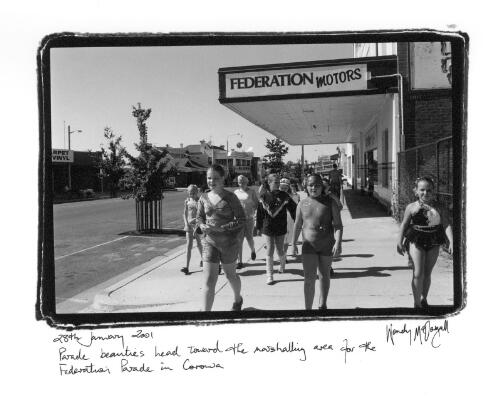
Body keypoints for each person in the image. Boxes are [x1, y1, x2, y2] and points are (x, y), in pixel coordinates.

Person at [397, 176, 453, 309]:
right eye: (422, 190)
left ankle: (424, 299)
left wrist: (451, 241)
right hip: (416, 239)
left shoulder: (439, 207)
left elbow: (446, 224)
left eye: (429, 190)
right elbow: (404, 225)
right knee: (418, 273)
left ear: (433, 191)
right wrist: (399, 241)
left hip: (434, 239)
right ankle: (417, 304)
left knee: (427, 273)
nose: (425, 193)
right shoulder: (411, 207)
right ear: (416, 191)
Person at [196, 165, 247, 311]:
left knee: (230, 276)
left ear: (223, 178)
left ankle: (238, 298)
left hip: (229, 244)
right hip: (209, 242)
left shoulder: (231, 197)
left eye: (215, 178)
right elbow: (199, 216)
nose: (211, 181)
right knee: (209, 280)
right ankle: (206, 316)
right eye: (209, 178)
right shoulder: (204, 197)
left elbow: (242, 219)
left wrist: (222, 228)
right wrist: (202, 225)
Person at [292, 174, 343, 310]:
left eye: (317, 185)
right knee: (308, 279)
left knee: (324, 275)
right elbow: (297, 226)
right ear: (306, 187)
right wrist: (293, 244)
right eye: (310, 185)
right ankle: (308, 309)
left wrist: (338, 243)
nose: (313, 187)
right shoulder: (302, 204)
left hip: (326, 245)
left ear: (322, 186)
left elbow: (338, 225)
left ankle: (323, 303)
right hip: (309, 246)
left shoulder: (330, 203)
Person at [256, 173, 297, 284]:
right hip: (268, 226)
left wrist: (297, 219)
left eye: (279, 182)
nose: (278, 184)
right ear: (269, 183)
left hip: (280, 225)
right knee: (270, 249)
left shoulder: (284, 195)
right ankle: (270, 275)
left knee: (280, 249)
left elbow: (294, 209)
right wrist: (258, 227)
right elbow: (259, 214)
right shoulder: (263, 197)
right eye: (275, 182)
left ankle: (282, 264)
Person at [234, 175, 259, 268]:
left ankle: (252, 250)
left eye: (243, 181)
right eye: (240, 182)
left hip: (249, 219)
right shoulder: (236, 192)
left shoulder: (251, 192)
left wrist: (256, 216)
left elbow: (256, 205)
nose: (241, 183)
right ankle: (239, 261)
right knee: (239, 240)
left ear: (246, 182)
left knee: (249, 238)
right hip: (239, 219)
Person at [181, 184, 203, 275]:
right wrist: (186, 224)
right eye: (190, 193)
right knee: (188, 246)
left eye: (193, 193)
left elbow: (201, 215)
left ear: (197, 192)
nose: (192, 195)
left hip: (197, 225)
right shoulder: (187, 201)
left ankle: (203, 260)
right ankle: (186, 267)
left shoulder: (200, 201)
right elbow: (184, 213)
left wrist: (197, 225)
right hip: (189, 226)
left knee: (198, 244)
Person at [279, 178, 300, 260]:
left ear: (288, 188)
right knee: (280, 239)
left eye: (286, 187)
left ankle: (284, 255)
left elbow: (296, 210)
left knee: (286, 240)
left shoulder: (293, 196)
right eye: (282, 187)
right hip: (278, 221)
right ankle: (282, 255)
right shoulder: (274, 195)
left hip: (289, 220)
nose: (284, 189)